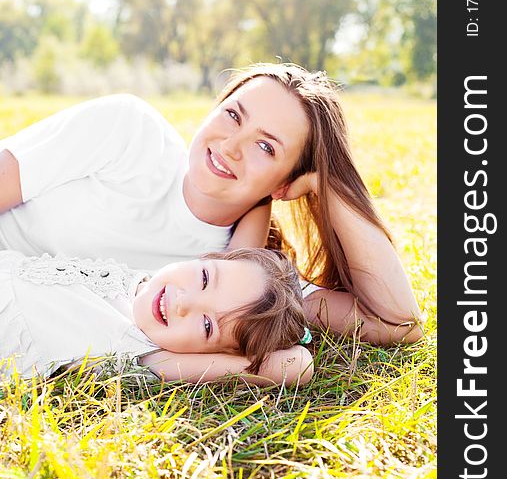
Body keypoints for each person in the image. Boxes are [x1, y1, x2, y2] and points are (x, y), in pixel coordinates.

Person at [0, 62, 422, 358]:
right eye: (233, 115)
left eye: (265, 146)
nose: (230, 146)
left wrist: (329, 186)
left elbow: (397, 324)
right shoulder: (128, 132)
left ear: (285, 183)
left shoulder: (241, 285)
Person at [0, 247, 313, 386]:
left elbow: (297, 365)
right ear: (203, 259)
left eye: (206, 325)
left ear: (211, 355)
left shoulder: (144, 353)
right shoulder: (142, 280)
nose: (184, 302)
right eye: (204, 278)